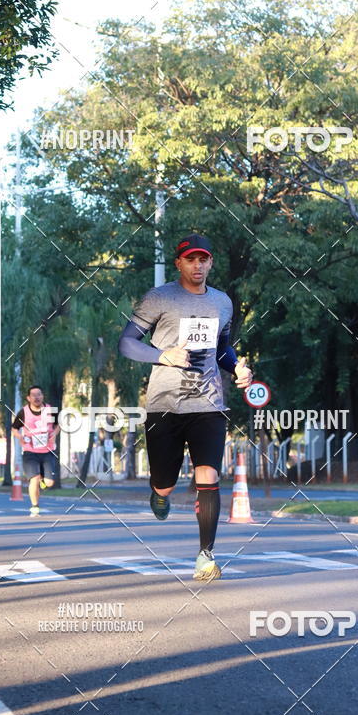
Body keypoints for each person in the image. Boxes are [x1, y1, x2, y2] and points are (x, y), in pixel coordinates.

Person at [118, 233, 252, 581]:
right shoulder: (159, 298)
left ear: (210, 263)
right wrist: (163, 355)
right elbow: (127, 343)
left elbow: (222, 349)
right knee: (164, 482)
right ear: (179, 263)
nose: (197, 265)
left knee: (208, 474)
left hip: (208, 403)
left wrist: (237, 366)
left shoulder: (222, 302)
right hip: (164, 405)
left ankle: (205, 556)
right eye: (190, 259)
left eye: (203, 259)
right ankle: (160, 493)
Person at [12, 385, 59, 516]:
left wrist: (54, 433)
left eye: (39, 394)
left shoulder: (50, 410)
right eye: (34, 395)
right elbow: (14, 428)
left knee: (49, 483)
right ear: (29, 398)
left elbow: (58, 424)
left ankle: (44, 481)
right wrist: (20, 437)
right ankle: (35, 507)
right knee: (35, 478)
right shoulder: (24, 412)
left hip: (47, 451)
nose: (37, 397)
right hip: (30, 451)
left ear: (42, 396)